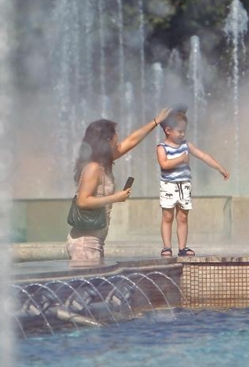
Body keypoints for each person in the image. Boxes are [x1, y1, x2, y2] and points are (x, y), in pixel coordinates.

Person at [67, 107, 172, 261]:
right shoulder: (93, 167)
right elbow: (83, 201)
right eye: (115, 133)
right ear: (107, 139)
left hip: (94, 239)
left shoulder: (104, 161)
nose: (118, 137)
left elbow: (131, 141)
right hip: (84, 242)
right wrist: (116, 197)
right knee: (90, 284)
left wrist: (155, 122)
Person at [156, 108, 230, 257]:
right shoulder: (162, 147)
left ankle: (182, 248)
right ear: (168, 130)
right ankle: (167, 247)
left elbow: (203, 155)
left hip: (184, 185)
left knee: (183, 217)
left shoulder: (186, 145)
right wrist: (181, 159)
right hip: (169, 185)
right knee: (168, 217)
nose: (183, 134)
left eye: (184, 131)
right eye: (180, 131)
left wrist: (219, 168)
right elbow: (164, 164)